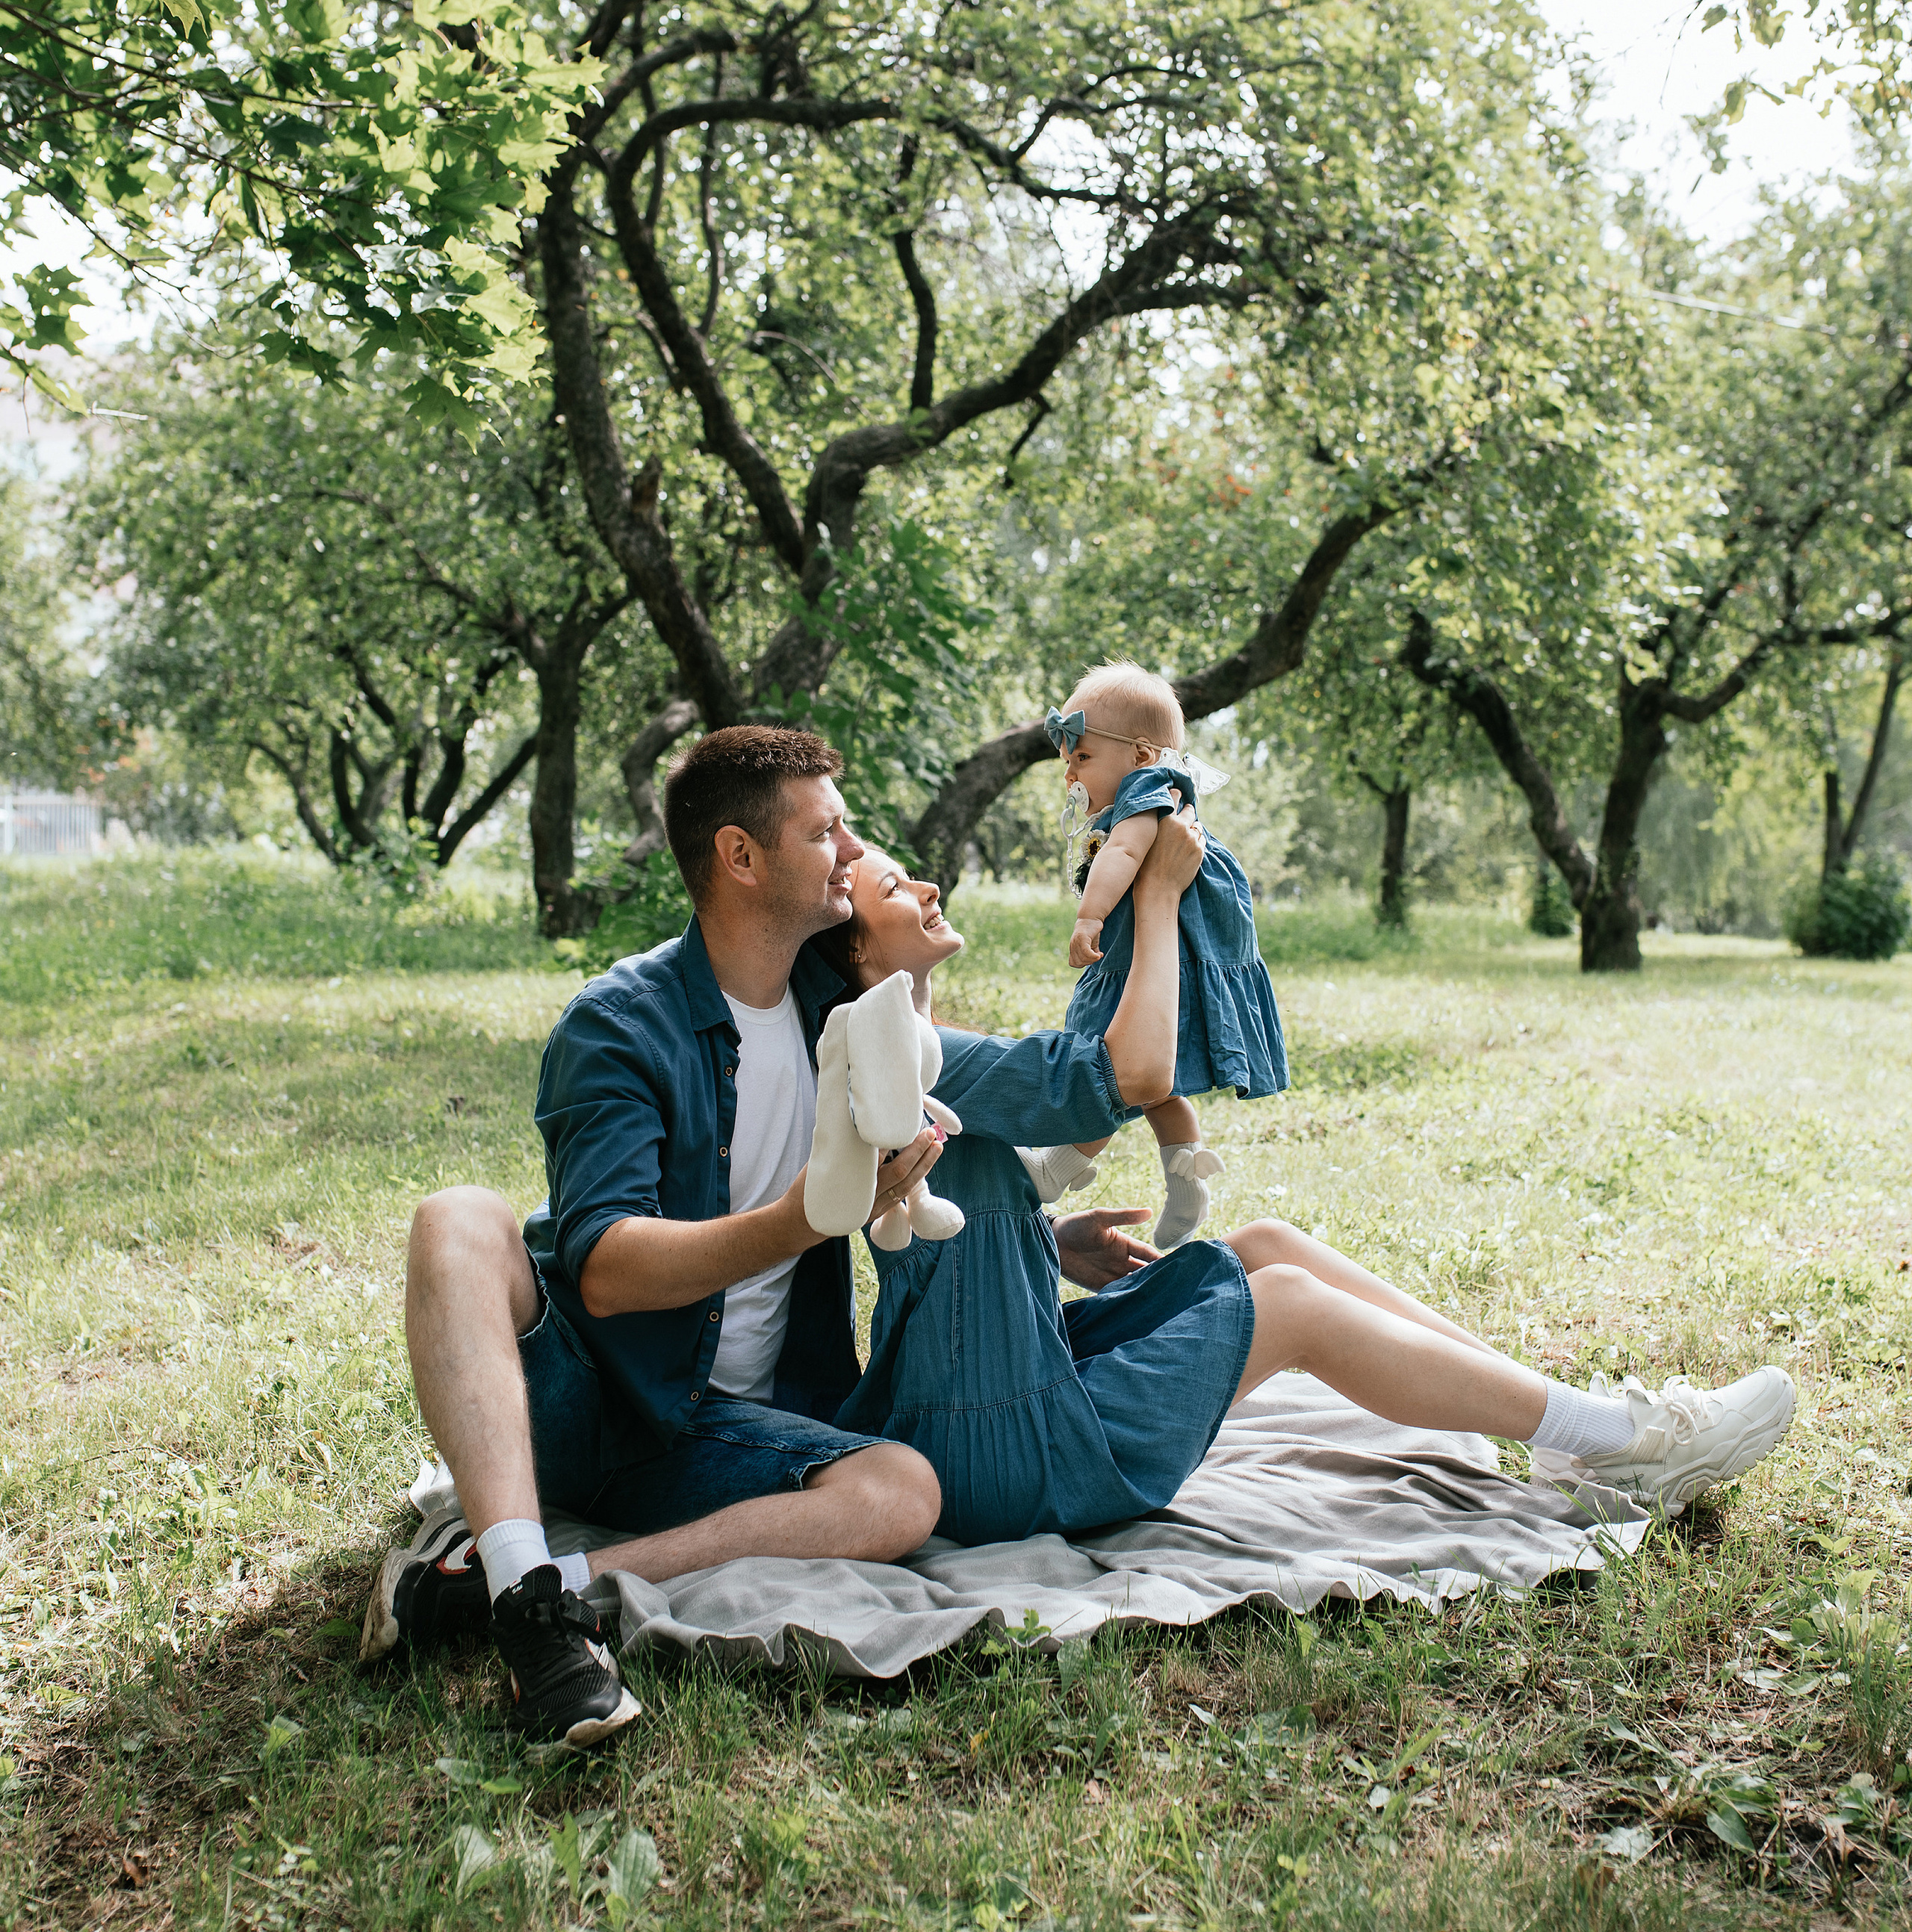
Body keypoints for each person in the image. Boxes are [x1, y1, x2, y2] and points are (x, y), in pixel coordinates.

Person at [363, 725, 1201, 1745]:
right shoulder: (619, 1023)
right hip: (591, 1397)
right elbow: (608, 1274)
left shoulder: (849, 1011)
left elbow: (1077, 1087)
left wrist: (1043, 1235)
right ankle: (536, 1623)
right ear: (741, 857)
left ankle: (541, 1588)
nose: (853, 851)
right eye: (827, 832)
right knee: (456, 1218)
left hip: (731, 1433)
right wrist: (799, 1220)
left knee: (903, 1490)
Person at [816, 843, 1799, 1546]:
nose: (930, 885)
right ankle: (1632, 1443)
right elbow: (1135, 1072)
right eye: (896, 886)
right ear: (854, 951)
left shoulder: (907, 1050)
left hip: (994, 1389)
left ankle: (1578, 1435)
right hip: (1009, 1445)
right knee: (1283, 1307)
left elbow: (1028, 1166)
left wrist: (1043, 1238)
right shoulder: (902, 1042)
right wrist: (1157, 897)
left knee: (1268, 1248)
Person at [1019, 659, 1285, 1249]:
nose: (1071, 777)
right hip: (1161, 959)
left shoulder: (1144, 794)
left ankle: (1055, 1170)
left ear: (1141, 755)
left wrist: (1089, 915)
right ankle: (1187, 1180)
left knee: (1104, 1069)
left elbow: (1121, 856)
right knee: (1161, 1091)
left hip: (1142, 959)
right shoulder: (1159, 789)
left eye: (1081, 758)